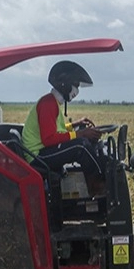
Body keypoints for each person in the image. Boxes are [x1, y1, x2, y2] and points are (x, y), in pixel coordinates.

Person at [20, 60, 106, 192]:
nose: (77, 90)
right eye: (75, 85)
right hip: (37, 156)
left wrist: (75, 125)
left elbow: (56, 130)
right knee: (80, 146)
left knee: (81, 142)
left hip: (41, 151)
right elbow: (48, 139)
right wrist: (80, 134)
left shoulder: (52, 102)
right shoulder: (48, 104)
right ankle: (98, 185)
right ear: (65, 85)